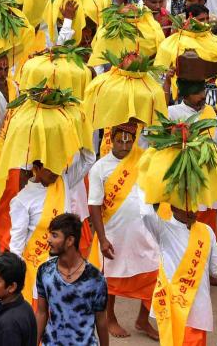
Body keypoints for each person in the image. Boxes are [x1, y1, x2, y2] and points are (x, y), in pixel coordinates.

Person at [87, 121, 160, 339]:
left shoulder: (144, 158)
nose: (125, 147)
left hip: (144, 232)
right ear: (111, 140)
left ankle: (142, 320)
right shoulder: (100, 167)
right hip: (114, 234)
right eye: (120, 141)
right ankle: (110, 318)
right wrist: (102, 238)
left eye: (129, 142)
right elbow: (94, 205)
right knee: (110, 281)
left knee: (155, 274)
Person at [34, 213, 108, 345]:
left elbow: (101, 321)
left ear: (70, 241)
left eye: (55, 235)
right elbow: (41, 313)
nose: (49, 240)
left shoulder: (96, 279)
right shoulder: (44, 272)